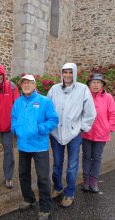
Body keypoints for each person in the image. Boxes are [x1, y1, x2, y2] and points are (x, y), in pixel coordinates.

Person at [47, 63, 96, 207]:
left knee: (72, 165)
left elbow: (90, 112)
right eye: (65, 72)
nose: (67, 75)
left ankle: (70, 193)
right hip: (56, 133)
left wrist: (82, 128)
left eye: (70, 72)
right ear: (61, 73)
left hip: (74, 133)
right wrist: (48, 126)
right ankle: (57, 187)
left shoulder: (83, 89)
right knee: (57, 163)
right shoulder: (54, 89)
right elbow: (47, 108)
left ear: (74, 73)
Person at [11, 75, 58, 220]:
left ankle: (45, 208)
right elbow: (13, 119)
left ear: (34, 84)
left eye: (29, 83)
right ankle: (29, 199)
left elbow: (53, 120)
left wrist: (39, 128)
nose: (26, 85)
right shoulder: (18, 102)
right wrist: (16, 129)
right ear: (21, 86)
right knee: (23, 174)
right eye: (24, 83)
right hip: (23, 144)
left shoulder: (44, 101)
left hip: (39, 146)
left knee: (43, 178)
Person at [81, 73, 115, 192]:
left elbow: (113, 114)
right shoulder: (85, 96)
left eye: (98, 82)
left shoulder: (108, 97)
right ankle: (85, 181)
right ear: (89, 84)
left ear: (102, 85)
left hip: (101, 134)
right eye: (93, 82)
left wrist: (108, 128)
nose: (95, 85)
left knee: (96, 158)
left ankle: (93, 181)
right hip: (87, 133)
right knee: (86, 157)